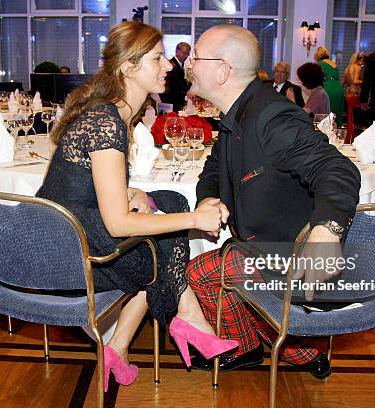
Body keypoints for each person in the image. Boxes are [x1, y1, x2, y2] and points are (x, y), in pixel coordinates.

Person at [35, 21, 238, 391]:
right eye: (158, 58)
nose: (168, 66)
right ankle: (187, 317)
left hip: (66, 223)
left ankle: (124, 343)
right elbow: (117, 225)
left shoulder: (111, 114)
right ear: (128, 66)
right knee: (164, 244)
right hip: (65, 246)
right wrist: (195, 218)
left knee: (169, 201)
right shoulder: (106, 121)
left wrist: (132, 194)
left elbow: (79, 183)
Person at [184, 24, 360, 377]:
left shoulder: (270, 115)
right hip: (257, 244)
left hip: (285, 253)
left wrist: (328, 231)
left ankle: (279, 350)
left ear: (222, 70)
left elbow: (337, 169)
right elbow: (214, 169)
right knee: (221, 274)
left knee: (199, 275)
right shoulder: (238, 111)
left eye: (195, 57)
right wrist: (207, 200)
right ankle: (284, 350)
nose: (188, 64)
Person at [314, 47, 345, 125]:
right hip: (339, 88)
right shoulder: (334, 63)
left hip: (328, 88)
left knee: (326, 113)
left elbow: (317, 80)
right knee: (337, 112)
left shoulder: (320, 64)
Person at [159, 42, 190, 111]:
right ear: (177, 51)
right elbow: (177, 85)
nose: (186, 56)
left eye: (187, 54)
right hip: (171, 104)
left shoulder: (181, 65)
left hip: (176, 103)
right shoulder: (170, 65)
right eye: (184, 53)